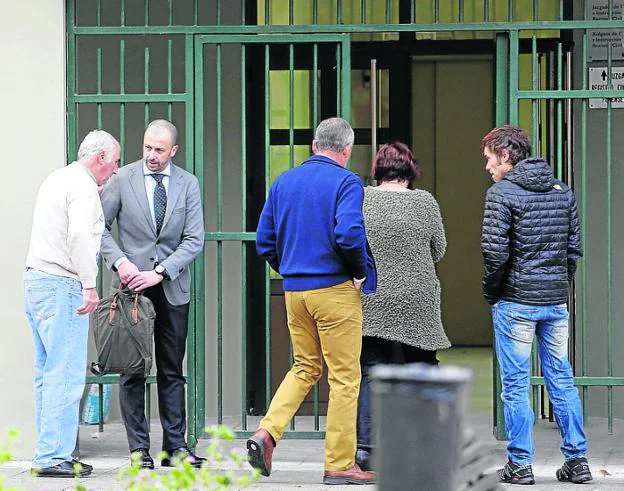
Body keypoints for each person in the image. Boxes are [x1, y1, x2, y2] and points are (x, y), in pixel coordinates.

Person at [249, 117, 377, 486]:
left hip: (294, 291)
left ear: (313, 145)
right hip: (334, 291)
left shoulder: (284, 182)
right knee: (345, 378)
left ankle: (267, 432)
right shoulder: (347, 181)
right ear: (347, 150)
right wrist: (357, 271)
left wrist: (290, 268)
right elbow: (350, 232)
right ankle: (339, 463)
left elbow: (264, 241)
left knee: (305, 367)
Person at [481, 125, 592, 485]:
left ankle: (520, 464)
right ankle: (577, 460)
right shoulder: (563, 192)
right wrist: (558, 283)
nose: (487, 167)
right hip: (555, 301)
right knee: (561, 378)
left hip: (515, 301)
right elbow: (573, 249)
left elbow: (495, 253)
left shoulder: (501, 193)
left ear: (505, 155)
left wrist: (491, 292)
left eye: (489, 159)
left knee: (515, 384)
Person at [100, 119, 205, 469]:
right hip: (131, 289)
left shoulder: (188, 184)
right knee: (132, 370)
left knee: (172, 369)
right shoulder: (121, 179)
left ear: (173, 150)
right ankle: (138, 451)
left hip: (171, 287)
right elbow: (98, 229)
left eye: (159, 150)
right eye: (147, 147)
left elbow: (194, 240)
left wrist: (160, 272)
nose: (151, 156)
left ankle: (174, 448)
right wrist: (122, 264)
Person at [25, 130, 120, 478]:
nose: (115, 169)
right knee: (65, 373)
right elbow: (80, 235)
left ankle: (49, 450)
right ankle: (53, 456)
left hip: (36, 280)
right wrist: (90, 284)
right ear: (99, 159)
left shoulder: (57, 178)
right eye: (114, 161)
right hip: (63, 284)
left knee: (47, 373)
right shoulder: (82, 187)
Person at [355, 142, 450, 471]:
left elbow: (352, 243)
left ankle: (366, 449)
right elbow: (439, 248)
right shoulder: (425, 203)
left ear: (378, 169)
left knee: (370, 373)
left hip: (374, 294)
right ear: (410, 170)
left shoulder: (363, 199)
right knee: (422, 368)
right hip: (418, 297)